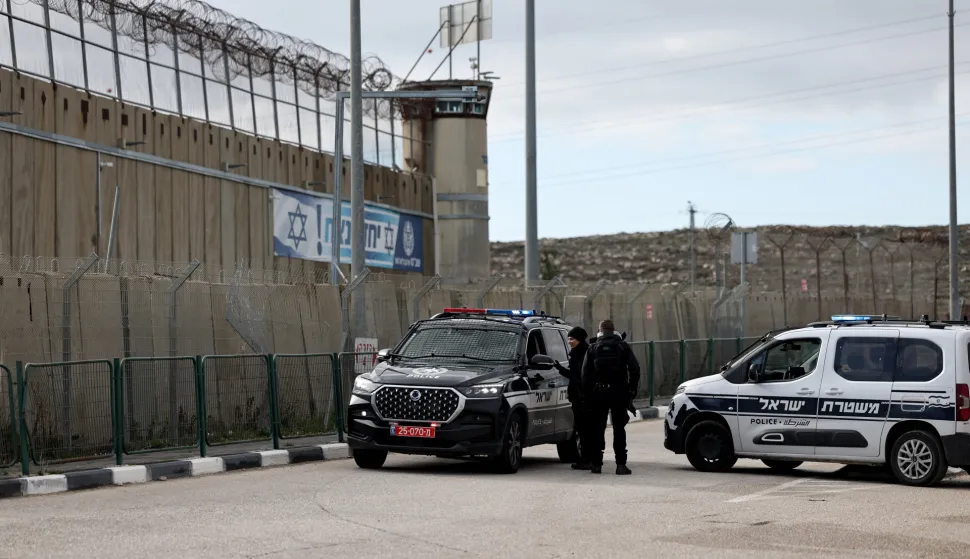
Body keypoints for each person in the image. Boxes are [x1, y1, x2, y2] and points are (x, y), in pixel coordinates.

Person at [582, 319, 641, 475]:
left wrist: (588, 394)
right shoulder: (622, 346)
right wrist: (631, 390)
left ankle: (596, 464)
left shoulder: (593, 347)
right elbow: (635, 369)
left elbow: (585, 374)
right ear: (614, 330)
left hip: (598, 394)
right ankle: (621, 465)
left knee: (598, 429)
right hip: (619, 392)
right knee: (619, 429)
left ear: (600, 330)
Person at [553, 326, 592, 470]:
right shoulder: (577, 353)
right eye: (568, 339)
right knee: (581, 429)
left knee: (584, 430)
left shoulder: (585, 354)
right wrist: (560, 369)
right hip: (578, 396)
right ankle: (586, 459)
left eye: (572, 339)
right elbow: (574, 375)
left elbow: (580, 376)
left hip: (583, 396)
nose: (569, 341)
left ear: (580, 339)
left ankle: (587, 459)